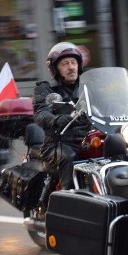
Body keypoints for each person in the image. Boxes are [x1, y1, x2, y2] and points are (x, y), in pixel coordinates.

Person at [32, 42, 87, 190]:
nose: (71, 67)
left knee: (120, 148)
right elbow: (40, 113)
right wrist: (57, 119)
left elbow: (107, 104)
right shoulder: (46, 89)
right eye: (65, 64)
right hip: (58, 144)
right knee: (68, 157)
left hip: (87, 140)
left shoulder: (88, 88)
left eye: (74, 62)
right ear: (56, 69)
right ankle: (66, 201)